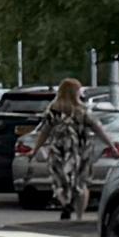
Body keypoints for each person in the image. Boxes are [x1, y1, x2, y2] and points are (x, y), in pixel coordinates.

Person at [32, 83, 103, 219]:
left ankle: (66, 203)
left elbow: (44, 132)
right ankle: (79, 217)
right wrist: (111, 145)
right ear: (75, 92)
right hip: (80, 151)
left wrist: (35, 150)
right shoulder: (83, 110)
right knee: (81, 184)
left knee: (59, 182)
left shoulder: (53, 110)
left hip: (59, 150)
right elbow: (98, 129)